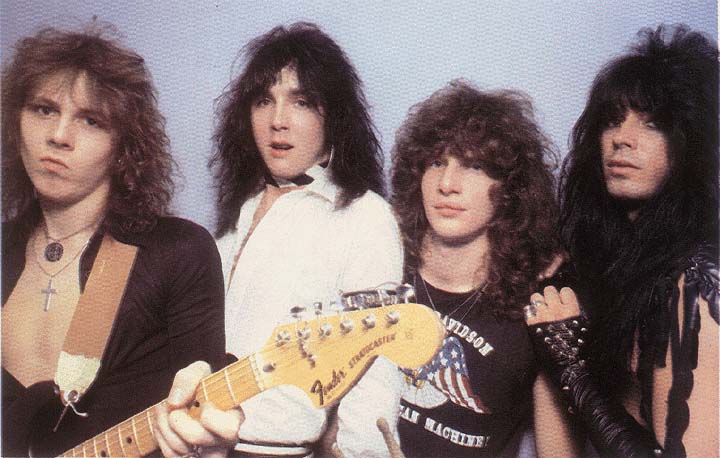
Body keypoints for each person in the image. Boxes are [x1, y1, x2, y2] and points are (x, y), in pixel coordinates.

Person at [154, 22, 404, 458]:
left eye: (301, 102)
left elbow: (375, 370)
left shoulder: (365, 215)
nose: (278, 121)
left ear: (333, 116)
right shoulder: (241, 208)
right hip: (189, 442)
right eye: (264, 101)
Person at [1, 25, 225, 456]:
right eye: (44, 109)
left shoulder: (177, 252)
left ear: (124, 145)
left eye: (91, 120)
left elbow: (205, 419)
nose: (59, 135)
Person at [527, 25, 718, 457]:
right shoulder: (605, 265)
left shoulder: (699, 280)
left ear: (691, 143)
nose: (622, 138)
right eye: (612, 120)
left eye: (653, 124)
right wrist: (552, 347)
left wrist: (572, 368)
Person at [390, 80, 562, 457]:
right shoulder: (380, 267)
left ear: (510, 189)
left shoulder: (536, 306)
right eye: (436, 162)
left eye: (474, 166)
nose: (447, 184)